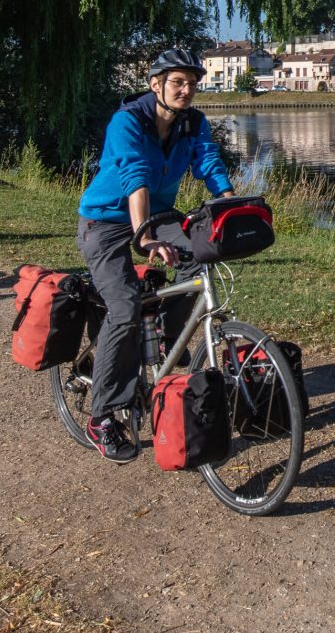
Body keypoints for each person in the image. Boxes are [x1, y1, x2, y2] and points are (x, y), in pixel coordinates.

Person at [76, 48, 235, 462]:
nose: (187, 90)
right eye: (178, 82)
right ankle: (104, 415)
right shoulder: (127, 121)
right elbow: (135, 176)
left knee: (201, 255)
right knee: (125, 305)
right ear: (155, 85)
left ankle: (167, 340)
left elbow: (207, 160)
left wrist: (229, 200)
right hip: (106, 221)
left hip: (159, 215)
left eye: (193, 84)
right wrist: (143, 235)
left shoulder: (192, 122)